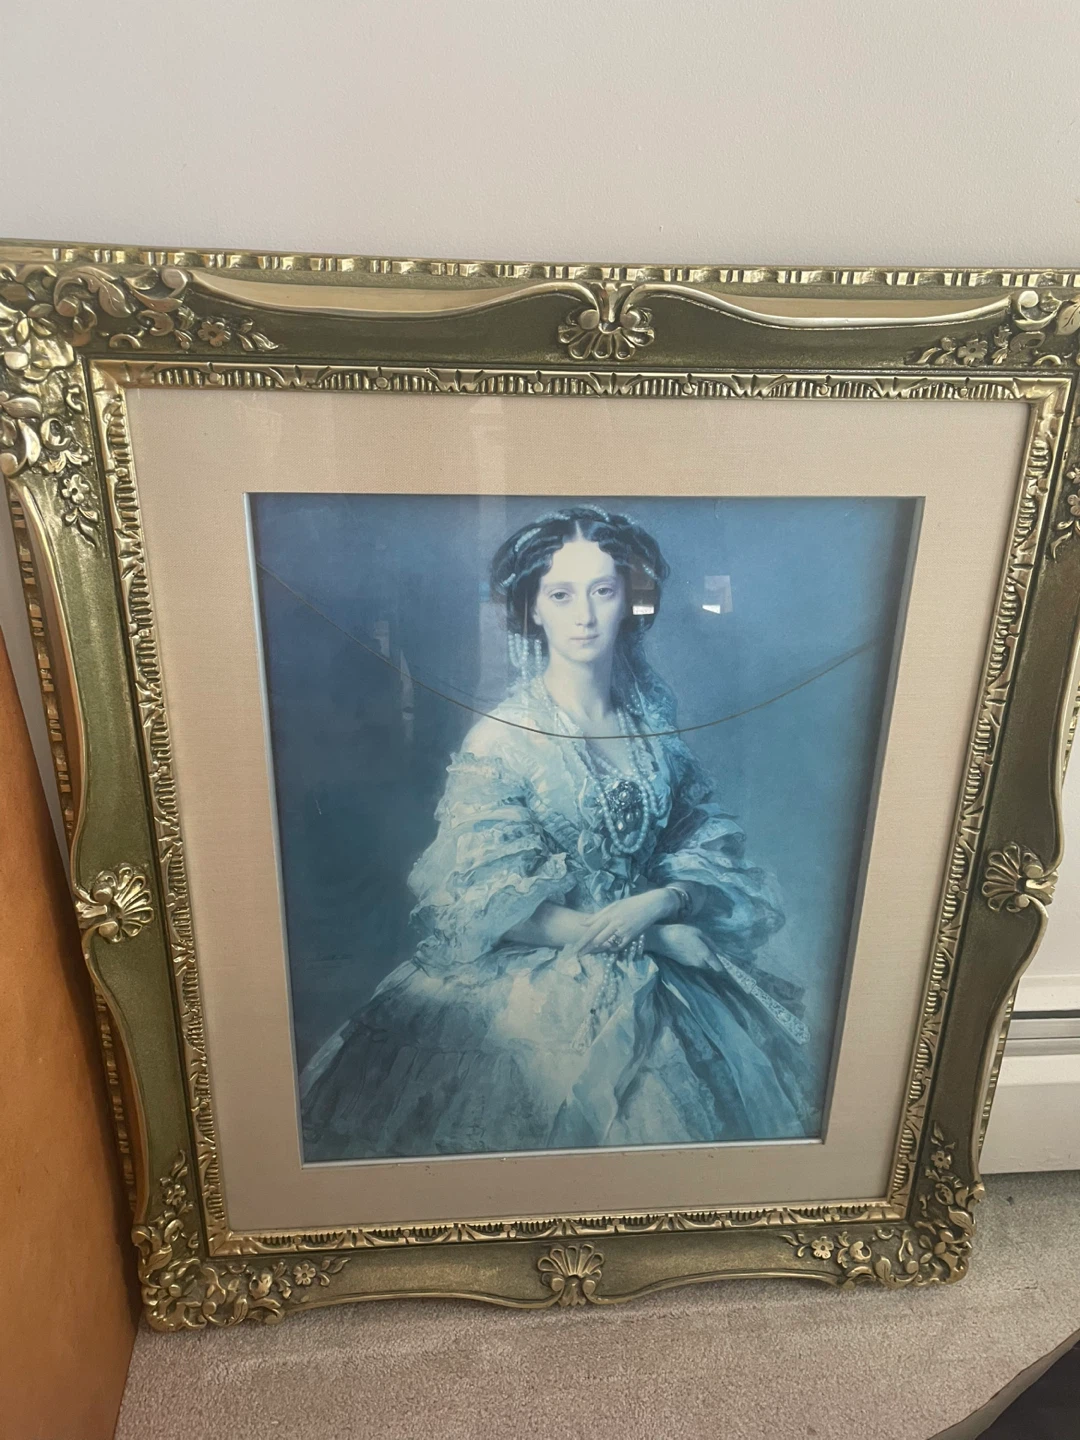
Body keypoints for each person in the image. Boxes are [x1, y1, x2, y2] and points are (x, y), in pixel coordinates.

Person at [301, 506, 815, 1160]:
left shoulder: (651, 727)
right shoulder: (501, 739)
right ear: (533, 609)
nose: (586, 616)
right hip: (537, 984)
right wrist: (654, 935)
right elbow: (482, 903)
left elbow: (703, 839)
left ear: (628, 601)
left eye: (603, 591)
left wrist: (667, 899)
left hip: (670, 974)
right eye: (562, 595)